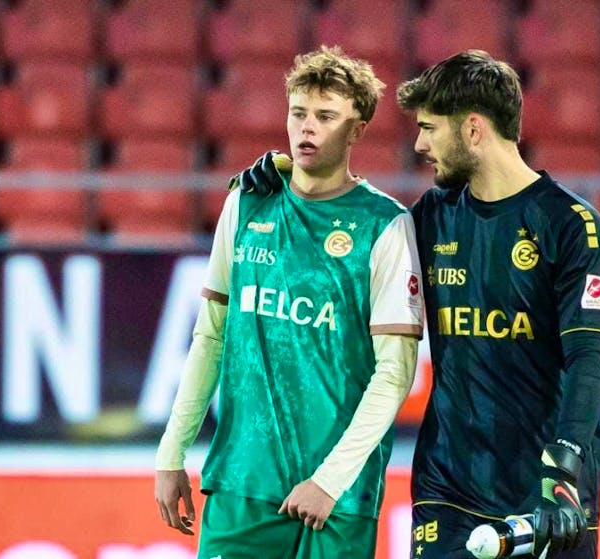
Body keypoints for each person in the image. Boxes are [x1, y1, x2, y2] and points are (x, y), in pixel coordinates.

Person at [235, 50, 600, 559]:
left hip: (547, 494)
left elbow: (588, 363)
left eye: (430, 128)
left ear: (474, 131)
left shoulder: (573, 228)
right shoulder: (430, 217)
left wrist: (564, 473)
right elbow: (349, 230)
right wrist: (284, 182)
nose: (419, 144)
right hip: (447, 491)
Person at [154, 45, 425, 559]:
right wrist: (171, 453)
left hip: (338, 498)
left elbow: (394, 374)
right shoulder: (246, 202)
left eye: (326, 117)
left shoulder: (384, 226)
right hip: (243, 480)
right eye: (299, 113)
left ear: (358, 129)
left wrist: (330, 480)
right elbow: (210, 335)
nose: (307, 128)